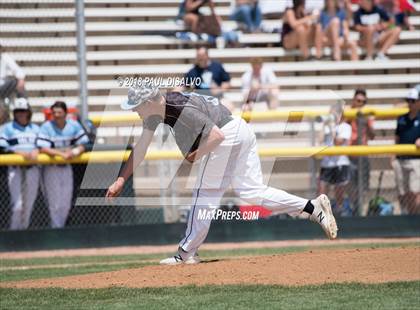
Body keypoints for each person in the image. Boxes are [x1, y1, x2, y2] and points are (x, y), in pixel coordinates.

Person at [106, 84, 338, 265]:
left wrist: (195, 156)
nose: (134, 110)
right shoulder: (157, 112)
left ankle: (185, 254)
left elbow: (216, 136)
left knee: (205, 192)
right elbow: (141, 148)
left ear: (148, 101)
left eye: (136, 105)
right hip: (241, 129)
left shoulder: (178, 107)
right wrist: (120, 179)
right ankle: (312, 207)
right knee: (252, 192)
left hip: (226, 134)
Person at [36, 101, 89, 228]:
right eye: (54, 113)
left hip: (67, 168)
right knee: (54, 204)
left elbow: (83, 144)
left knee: (66, 203)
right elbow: (42, 148)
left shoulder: (73, 125)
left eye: (59, 112)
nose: (57, 115)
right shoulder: (47, 126)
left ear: (65, 113)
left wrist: (74, 152)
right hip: (51, 168)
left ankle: (60, 228)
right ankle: (56, 230)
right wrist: (62, 154)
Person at [0, 98, 40, 230]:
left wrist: (36, 149)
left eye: (23, 111)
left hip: (33, 168)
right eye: (18, 111)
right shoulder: (7, 128)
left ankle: (24, 234)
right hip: (15, 168)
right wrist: (21, 153)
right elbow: (3, 147)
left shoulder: (35, 128)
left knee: (28, 206)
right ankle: (14, 234)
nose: (21, 114)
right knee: (17, 206)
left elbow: (44, 145)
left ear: (29, 112)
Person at [318, 103, 352, 216]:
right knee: (322, 190)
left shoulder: (346, 127)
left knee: (339, 192)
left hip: (340, 163)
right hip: (327, 163)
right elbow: (320, 139)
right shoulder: (328, 126)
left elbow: (338, 143)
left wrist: (332, 128)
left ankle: (340, 211)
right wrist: (324, 125)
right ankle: (323, 214)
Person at [392, 88, 420, 214]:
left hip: (416, 159)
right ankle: (405, 215)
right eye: (408, 100)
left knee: (414, 191)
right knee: (402, 191)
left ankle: (413, 218)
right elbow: (397, 138)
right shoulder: (401, 118)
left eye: (413, 100)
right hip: (401, 158)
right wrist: (392, 156)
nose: (410, 103)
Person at [347, 89, 374, 214]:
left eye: (363, 102)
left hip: (363, 155)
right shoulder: (348, 112)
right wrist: (352, 116)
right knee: (350, 185)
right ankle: (353, 209)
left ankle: (360, 210)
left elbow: (372, 135)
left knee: (363, 187)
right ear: (354, 101)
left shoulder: (367, 114)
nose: (360, 104)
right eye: (358, 101)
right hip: (350, 155)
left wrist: (366, 122)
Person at [0, 44, 26, 124]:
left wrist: (21, 79)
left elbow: (18, 70)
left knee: (16, 82)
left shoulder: (5, 57)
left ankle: (23, 104)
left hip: (3, 87)